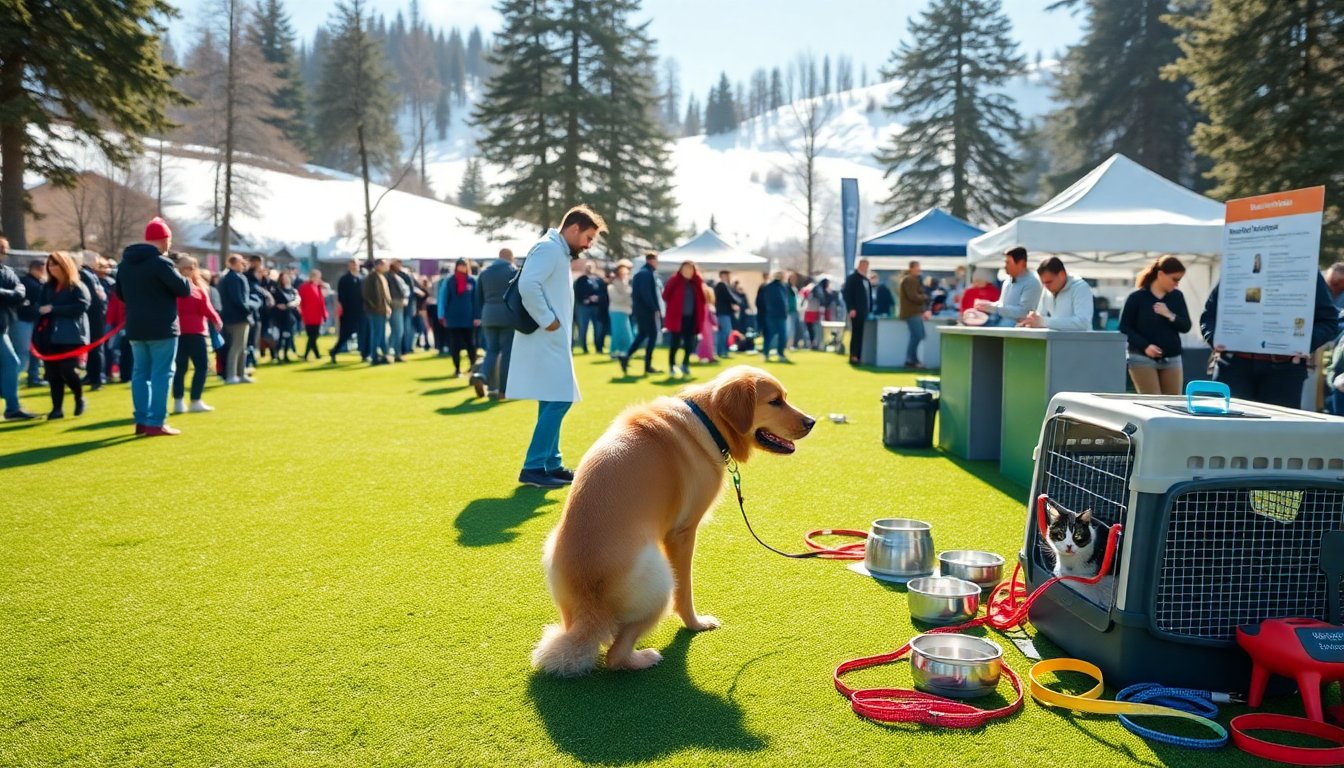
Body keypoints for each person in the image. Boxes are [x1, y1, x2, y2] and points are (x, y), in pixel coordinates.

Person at [508, 204, 606, 488]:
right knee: (561, 398)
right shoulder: (550, 248)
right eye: (588, 237)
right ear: (574, 228)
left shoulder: (556, 249)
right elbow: (528, 285)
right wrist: (548, 320)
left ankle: (551, 462)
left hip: (551, 338)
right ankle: (534, 465)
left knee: (552, 397)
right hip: (546, 336)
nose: (588, 245)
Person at [1201, 273, 1339, 409]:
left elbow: (1328, 321)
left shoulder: (1305, 268)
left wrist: (1303, 343)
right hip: (1233, 366)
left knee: (1276, 430)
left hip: (1283, 370)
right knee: (1226, 429)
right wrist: (1215, 339)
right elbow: (1208, 317)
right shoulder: (1238, 265)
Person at [114, 218, 191, 436]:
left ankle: (141, 420)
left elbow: (120, 294)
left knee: (140, 374)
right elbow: (183, 290)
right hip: (162, 327)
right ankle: (156, 422)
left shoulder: (125, 263)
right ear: (165, 239)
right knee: (162, 374)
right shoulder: (161, 263)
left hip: (136, 326)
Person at [1118, 256, 1191, 395]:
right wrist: (1145, 346)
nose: (1177, 284)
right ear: (1161, 274)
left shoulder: (1177, 297)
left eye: (1179, 280)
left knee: (1173, 404)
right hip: (1141, 358)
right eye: (1175, 279)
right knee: (1152, 402)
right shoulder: (1137, 297)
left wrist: (1170, 315)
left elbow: (1186, 326)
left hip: (1172, 358)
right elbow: (1124, 327)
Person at [35, 251, 91, 419]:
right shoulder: (47, 287)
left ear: (65, 265)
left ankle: (79, 396)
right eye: (50, 265)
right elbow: (39, 305)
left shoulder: (77, 286)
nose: (52, 268)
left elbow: (82, 306)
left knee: (67, 369)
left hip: (72, 335)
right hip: (49, 336)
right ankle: (57, 408)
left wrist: (54, 309)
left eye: (55, 264)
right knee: (52, 373)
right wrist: (39, 310)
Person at [172, 255, 222, 414]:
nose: (192, 270)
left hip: (181, 332)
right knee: (197, 367)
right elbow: (206, 308)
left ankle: (183, 401)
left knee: (183, 368)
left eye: (193, 266)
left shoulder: (173, 288)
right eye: (189, 267)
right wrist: (216, 319)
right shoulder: (196, 289)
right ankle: (192, 401)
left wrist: (215, 319)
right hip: (193, 332)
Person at [477, 248, 518, 400]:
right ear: (510, 257)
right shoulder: (513, 271)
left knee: (491, 351)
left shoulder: (485, 272)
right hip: (507, 316)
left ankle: (482, 374)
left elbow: (478, 297)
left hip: (488, 315)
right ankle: (503, 390)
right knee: (507, 354)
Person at [618, 251, 663, 376]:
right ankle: (647, 365)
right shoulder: (645, 274)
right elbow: (646, 293)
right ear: (651, 260)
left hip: (642, 310)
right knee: (652, 335)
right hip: (646, 311)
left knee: (642, 335)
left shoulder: (644, 273)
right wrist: (654, 308)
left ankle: (626, 356)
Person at [1019, 257, 1094, 331]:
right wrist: (1029, 322)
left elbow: (1083, 323)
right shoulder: (1047, 289)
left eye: (1049, 282)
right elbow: (1040, 316)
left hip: (1080, 342)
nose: (1046, 286)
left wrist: (1044, 322)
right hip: (1058, 341)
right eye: (1043, 283)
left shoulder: (1080, 288)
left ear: (1062, 275)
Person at [438, 257, 482, 380]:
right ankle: (457, 369)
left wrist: (477, 316)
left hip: (469, 318)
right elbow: (443, 299)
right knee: (455, 345)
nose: (462, 268)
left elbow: (476, 300)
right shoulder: (449, 281)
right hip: (453, 318)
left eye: (464, 265)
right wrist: (441, 315)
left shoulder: (472, 281)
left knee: (471, 344)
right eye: (460, 265)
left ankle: (473, 368)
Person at [219, 254, 260, 384]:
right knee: (237, 347)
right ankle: (232, 375)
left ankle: (241, 373)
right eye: (240, 263)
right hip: (238, 317)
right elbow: (239, 300)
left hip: (235, 317)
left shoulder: (232, 277)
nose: (243, 265)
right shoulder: (233, 278)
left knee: (241, 347)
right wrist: (251, 307)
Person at [661, 260, 706, 378]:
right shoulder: (674, 280)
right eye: (686, 268)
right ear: (681, 269)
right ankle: (671, 366)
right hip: (677, 318)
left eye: (691, 268)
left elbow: (703, 299)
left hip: (692, 318)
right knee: (675, 343)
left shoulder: (696, 282)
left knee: (689, 343)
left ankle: (685, 365)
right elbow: (665, 295)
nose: (688, 271)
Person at [976, 246, 1042, 326]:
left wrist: (995, 308)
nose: (1005, 266)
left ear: (1021, 263)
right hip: (1002, 329)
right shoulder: (1007, 281)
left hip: (1018, 334)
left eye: (1008, 263)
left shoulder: (1032, 282)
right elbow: (1002, 305)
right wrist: (988, 305)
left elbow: (1025, 312)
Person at [12, 258, 46, 390]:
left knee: (33, 352)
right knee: (22, 353)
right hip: (23, 321)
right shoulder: (27, 283)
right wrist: (38, 309)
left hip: (32, 321)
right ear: (38, 269)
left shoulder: (36, 283)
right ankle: (9, 379)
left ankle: (34, 377)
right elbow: (22, 305)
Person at [77, 251, 109, 391]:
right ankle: (93, 375)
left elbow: (94, 297)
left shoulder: (87, 275)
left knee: (95, 347)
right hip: (96, 314)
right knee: (94, 347)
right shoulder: (88, 275)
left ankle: (96, 377)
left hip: (94, 314)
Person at [898, 261, 931, 368]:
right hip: (912, 312)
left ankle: (913, 359)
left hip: (913, 312)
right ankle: (911, 359)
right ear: (911, 268)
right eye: (917, 267)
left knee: (916, 336)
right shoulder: (909, 280)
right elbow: (913, 296)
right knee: (918, 335)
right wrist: (925, 297)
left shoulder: (912, 280)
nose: (919, 269)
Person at [331, 259, 365, 363]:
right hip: (348, 312)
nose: (354, 266)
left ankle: (364, 354)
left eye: (356, 264)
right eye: (352, 264)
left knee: (363, 333)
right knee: (345, 334)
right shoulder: (344, 279)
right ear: (349, 266)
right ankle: (334, 351)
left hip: (361, 311)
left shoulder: (362, 278)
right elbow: (341, 296)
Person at [362, 258, 393, 365]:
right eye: (384, 264)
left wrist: (387, 306)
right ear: (378, 265)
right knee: (376, 334)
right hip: (375, 311)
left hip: (382, 310)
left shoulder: (381, 277)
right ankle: (374, 356)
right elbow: (368, 295)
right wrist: (376, 307)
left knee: (381, 334)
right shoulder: (371, 278)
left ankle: (385, 355)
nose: (386, 267)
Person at [843, 258, 872, 365]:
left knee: (862, 334)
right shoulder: (852, 279)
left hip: (865, 311)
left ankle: (859, 355)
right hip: (856, 311)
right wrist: (851, 308)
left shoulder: (866, 280)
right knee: (856, 333)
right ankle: (854, 355)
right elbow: (847, 294)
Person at [757, 270, 790, 362]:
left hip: (773, 315)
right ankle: (776, 354)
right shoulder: (773, 287)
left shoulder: (780, 287)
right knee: (777, 335)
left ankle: (768, 353)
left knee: (772, 335)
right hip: (775, 315)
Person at [572, 261, 604, 354]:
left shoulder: (598, 280)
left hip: (596, 307)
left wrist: (597, 298)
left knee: (597, 328)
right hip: (584, 307)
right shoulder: (580, 280)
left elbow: (602, 291)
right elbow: (577, 293)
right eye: (588, 267)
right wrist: (585, 299)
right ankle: (584, 347)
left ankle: (598, 347)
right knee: (583, 327)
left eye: (591, 267)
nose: (589, 269)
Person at [606, 259, 634, 365]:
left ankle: (624, 352)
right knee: (617, 332)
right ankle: (613, 351)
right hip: (616, 311)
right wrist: (627, 295)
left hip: (625, 311)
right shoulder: (612, 286)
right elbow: (617, 299)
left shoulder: (626, 285)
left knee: (627, 334)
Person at [270, 271, 299, 363]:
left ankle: (286, 354)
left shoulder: (293, 291)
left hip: (290, 316)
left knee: (288, 336)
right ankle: (277, 355)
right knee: (280, 337)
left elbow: (296, 300)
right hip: (280, 317)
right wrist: (277, 306)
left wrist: (292, 304)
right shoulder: (277, 290)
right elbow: (273, 303)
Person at [298, 269, 327, 361]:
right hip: (308, 315)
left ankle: (315, 354)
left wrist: (324, 314)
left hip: (317, 316)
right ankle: (308, 355)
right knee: (312, 336)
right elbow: (300, 301)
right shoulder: (304, 287)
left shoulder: (317, 287)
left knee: (314, 336)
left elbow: (321, 302)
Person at [713, 270, 742, 357]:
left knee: (723, 332)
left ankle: (721, 351)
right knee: (725, 332)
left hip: (723, 312)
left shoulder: (721, 286)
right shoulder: (722, 285)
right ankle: (722, 351)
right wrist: (739, 301)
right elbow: (730, 296)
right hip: (723, 313)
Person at [386, 259, 410, 363]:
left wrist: (405, 298)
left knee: (398, 331)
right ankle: (390, 352)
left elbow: (406, 290)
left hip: (400, 305)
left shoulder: (398, 277)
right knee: (397, 330)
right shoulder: (387, 277)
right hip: (393, 305)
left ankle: (395, 353)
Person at [696, 282, 718, 363]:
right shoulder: (705, 306)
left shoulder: (706, 306)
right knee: (706, 342)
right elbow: (711, 317)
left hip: (706, 326)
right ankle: (706, 356)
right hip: (704, 326)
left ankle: (708, 356)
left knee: (708, 342)